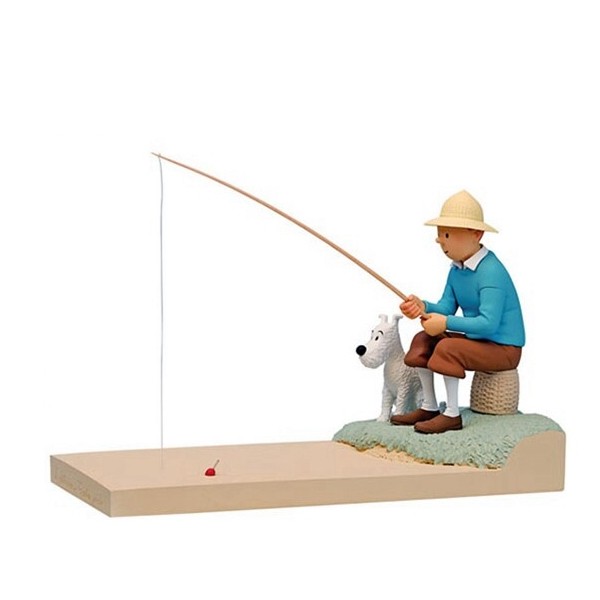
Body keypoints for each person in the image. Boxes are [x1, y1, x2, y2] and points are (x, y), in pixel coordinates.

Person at [391, 190, 525, 434]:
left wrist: (445, 323)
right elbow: (446, 307)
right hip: (479, 341)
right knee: (423, 339)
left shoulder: (491, 272)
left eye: (447, 234)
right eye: (440, 233)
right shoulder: (457, 270)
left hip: (503, 348)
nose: (440, 241)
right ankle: (429, 406)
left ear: (476, 234)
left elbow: (488, 324)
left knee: (447, 348)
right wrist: (423, 306)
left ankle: (452, 414)